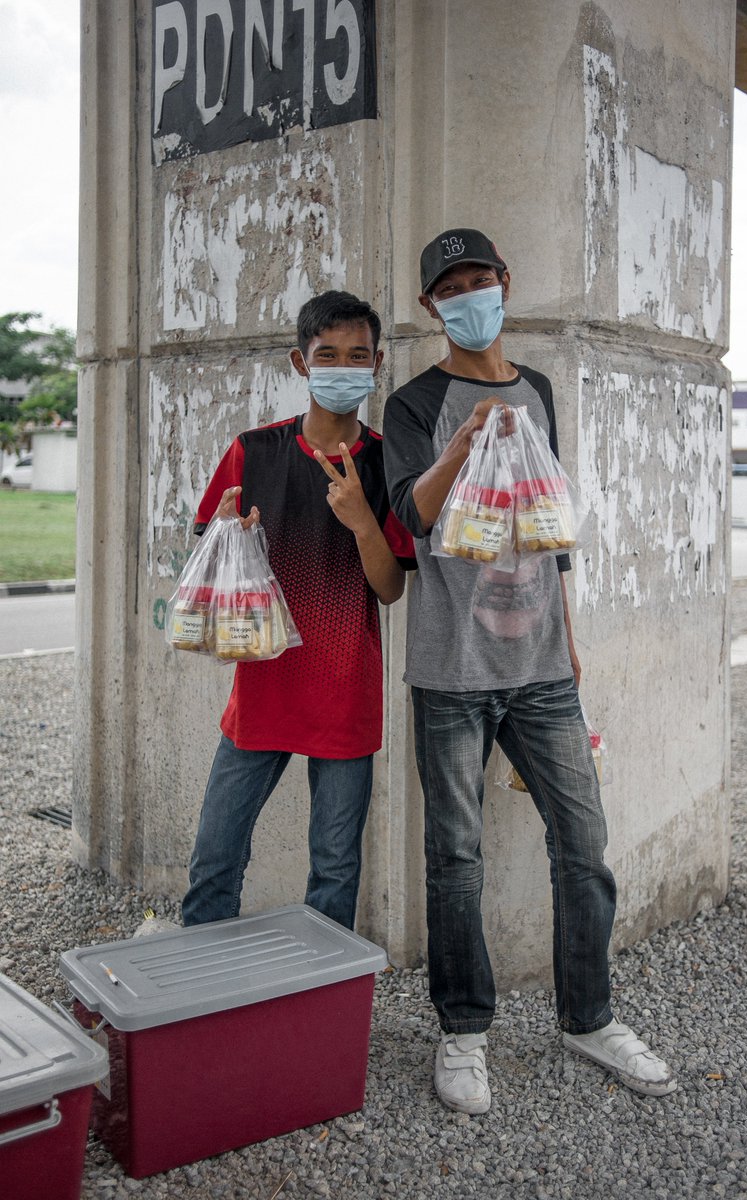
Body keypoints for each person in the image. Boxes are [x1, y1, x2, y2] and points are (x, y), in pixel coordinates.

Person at [382, 228, 676, 1113]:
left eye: (480, 280)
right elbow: (410, 520)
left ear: (505, 284)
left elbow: (549, 523)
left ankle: (588, 1018)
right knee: (455, 858)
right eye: (450, 289)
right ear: (430, 307)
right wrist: (463, 444)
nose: (468, 297)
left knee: (582, 846)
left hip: (542, 665)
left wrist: (569, 637)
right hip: (451, 669)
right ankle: (463, 1029)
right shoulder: (414, 402)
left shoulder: (538, 388)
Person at [182, 290, 415, 932]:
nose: (344, 367)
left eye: (358, 356)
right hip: (263, 689)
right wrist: (227, 535)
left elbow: (391, 589)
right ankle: (199, 978)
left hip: (345, 693)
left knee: (335, 869)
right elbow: (208, 563)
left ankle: (325, 988)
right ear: (300, 362)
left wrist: (363, 522)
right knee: (215, 857)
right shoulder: (253, 451)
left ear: (377, 363)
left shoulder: (386, 463)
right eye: (327, 355)